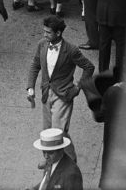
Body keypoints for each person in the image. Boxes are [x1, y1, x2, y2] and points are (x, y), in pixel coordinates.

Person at [26, 16, 94, 166]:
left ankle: (70, 161)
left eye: (48, 32)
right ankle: (49, 159)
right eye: (44, 31)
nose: (45, 35)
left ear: (58, 33)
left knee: (59, 131)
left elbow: (89, 67)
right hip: (46, 93)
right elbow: (35, 64)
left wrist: (77, 87)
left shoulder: (71, 50)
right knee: (47, 130)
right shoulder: (42, 44)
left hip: (63, 95)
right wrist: (30, 86)